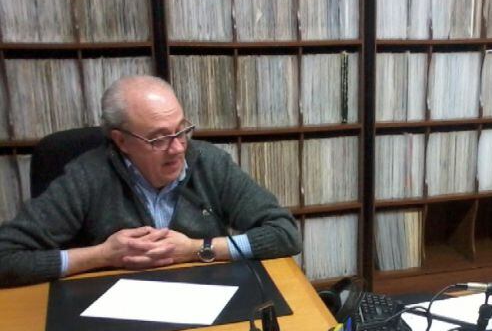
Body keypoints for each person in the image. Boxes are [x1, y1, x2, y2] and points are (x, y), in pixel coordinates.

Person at [0, 75, 301, 288]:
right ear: (121, 141)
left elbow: (285, 233)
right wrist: (101, 256)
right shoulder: (88, 176)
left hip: (204, 304)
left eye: (181, 130)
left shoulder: (209, 162)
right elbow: (7, 258)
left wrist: (198, 248)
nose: (178, 148)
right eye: (159, 138)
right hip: (112, 318)